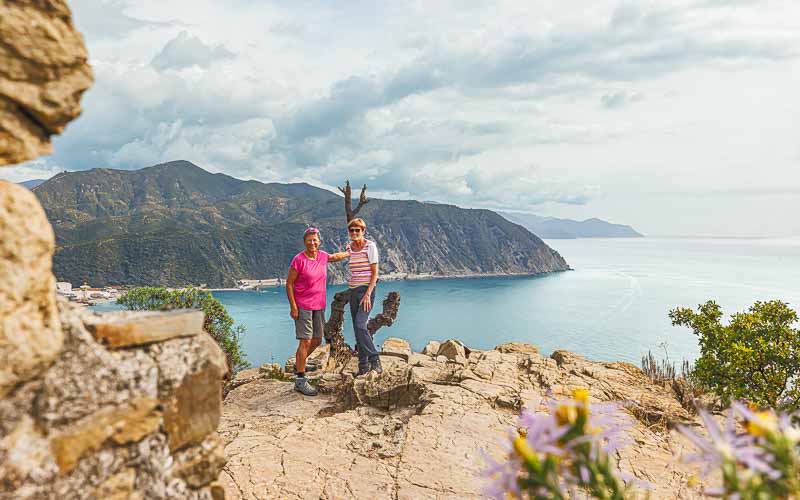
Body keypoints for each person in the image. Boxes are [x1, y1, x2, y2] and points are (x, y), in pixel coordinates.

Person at [286, 227, 348, 396]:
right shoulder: (298, 260)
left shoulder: (322, 256)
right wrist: (293, 307)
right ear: (304, 242)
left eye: (315, 240)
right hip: (303, 306)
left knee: (317, 338)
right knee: (305, 341)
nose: (312, 243)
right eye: (309, 240)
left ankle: (300, 362)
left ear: (319, 241)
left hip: (319, 305)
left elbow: (335, 257)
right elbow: (289, 284)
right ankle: (300, 379)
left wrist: (350, 252)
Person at [345, 218, 381, 376]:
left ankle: (375, 359)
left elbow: (375, 273)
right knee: (357, 329)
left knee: (361, 325)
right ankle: (363, 366)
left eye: (357, 230)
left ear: (363, 231)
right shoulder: (349, 248)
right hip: (353, 290)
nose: (354, 233)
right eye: (352, 230)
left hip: (366, 291)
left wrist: (367, 295)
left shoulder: (370, 246)